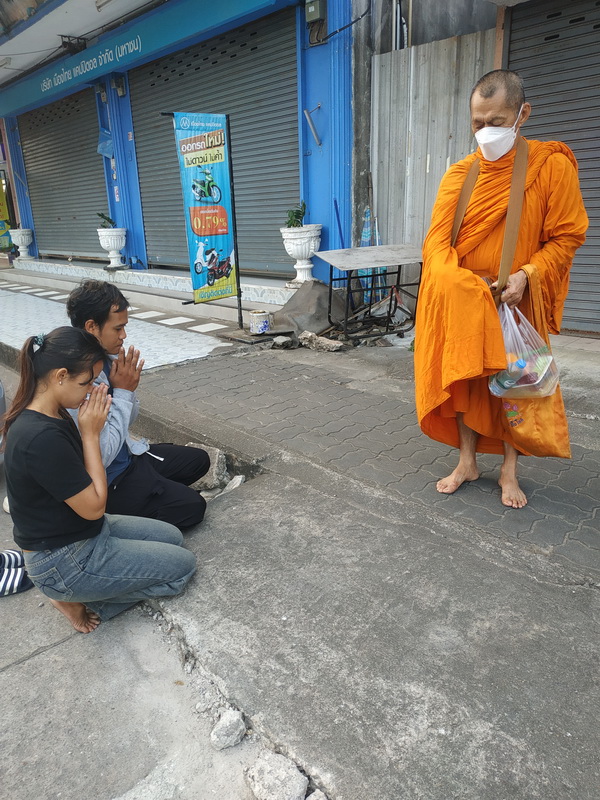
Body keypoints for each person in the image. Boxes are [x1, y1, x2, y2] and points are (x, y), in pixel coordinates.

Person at [414, 70, 588, 509]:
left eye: (497, 121)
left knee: (515, 388)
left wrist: (528, 273)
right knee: (465, 385)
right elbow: (435, 244)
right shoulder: (460, 175)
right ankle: (467, 462)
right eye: (478, 122)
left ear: (522, 114)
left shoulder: (550, 166)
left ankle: (510, 470)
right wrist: (461, 286)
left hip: (517, 301)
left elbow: (567, 236)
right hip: (467, 302)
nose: (486, 131)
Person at [1, 327, 196, 633]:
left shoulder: (52, 412)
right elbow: (94, 507)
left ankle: (83, 587)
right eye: (87, 382)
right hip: (63, 560)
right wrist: (90, 434)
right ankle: (75, 599)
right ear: (60, 376)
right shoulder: (39, 437)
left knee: (173, 537)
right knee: (183, 568)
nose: (92, 389)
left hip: (84, 533)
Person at [66, 280, 210, 529]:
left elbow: (127, 421)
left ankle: (154, 490)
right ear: (91, 327)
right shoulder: (77, 379)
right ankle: (116, 520)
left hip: (130, 456)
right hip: (110, 478)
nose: (123, 336)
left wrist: (128, 388)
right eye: (118, 328)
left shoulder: (105, 359)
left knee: (199, 460)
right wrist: (123, 391)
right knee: (193, 506)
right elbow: (102, 456)